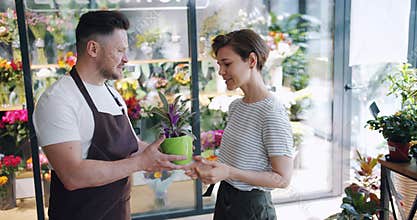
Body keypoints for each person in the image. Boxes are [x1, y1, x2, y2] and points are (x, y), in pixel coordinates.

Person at [33, 10, 185, 220]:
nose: (126, 59)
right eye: (120, 50)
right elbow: (72, 175)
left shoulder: (111, 93)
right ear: (93, 49)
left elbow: (131, 146)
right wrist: (141, 163)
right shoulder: (58, 100)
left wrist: (162, 156)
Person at [185, 29, 294, 220]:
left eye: (227, 64)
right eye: (219, 65)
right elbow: (239, 162)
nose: (221, 72)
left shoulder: (271, 113)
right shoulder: (237, 106)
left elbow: (282, 179)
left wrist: (229, 172)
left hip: (252, 208)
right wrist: (212, 167)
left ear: (252, 61)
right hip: (226, 197)